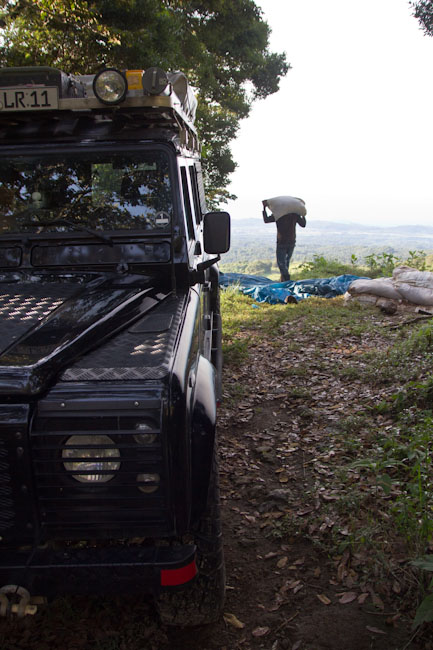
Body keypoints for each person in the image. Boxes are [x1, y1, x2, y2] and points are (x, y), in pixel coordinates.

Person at [262, 196, 307, 282]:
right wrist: (303, 215)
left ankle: (286, 279)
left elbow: (266, 220)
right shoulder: (295, 215)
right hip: (291, 241)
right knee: (286, 263)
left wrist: (264, 208)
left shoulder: (278, 214)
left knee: (281, 264)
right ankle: (284, 280)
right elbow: (303, 224)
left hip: (281, 242)